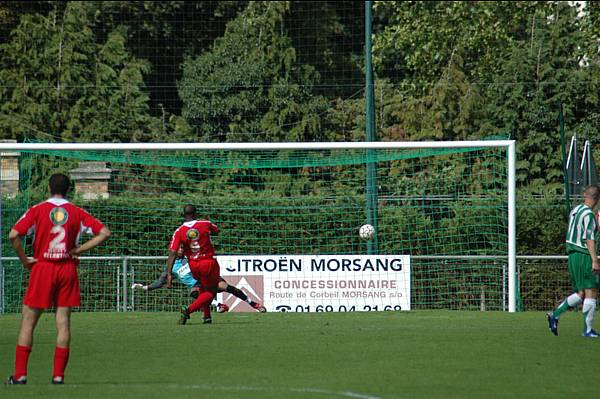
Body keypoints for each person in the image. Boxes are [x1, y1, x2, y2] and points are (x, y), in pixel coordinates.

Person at [5, 173, 111, 385]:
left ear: (48, 187)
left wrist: (25, 260)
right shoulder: (76, 212)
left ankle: (20, 375)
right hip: (67, 268)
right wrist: (78, 249)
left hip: (43, 268)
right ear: (68, 189)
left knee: (28, 321)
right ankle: (58, 376)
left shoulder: (37, 210)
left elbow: (13, 235)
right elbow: (105, 233)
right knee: (63, 323)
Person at [131, 244, 266, 313]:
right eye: (179, 249)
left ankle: (254, 304)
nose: (182, 251)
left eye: (183, 248)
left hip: (208, 278)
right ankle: (220, 305)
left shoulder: (190, 257)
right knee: (194, 293)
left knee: (226, 287)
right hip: (197, 285)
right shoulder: (170, 267)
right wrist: (144, 287)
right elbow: (160, 282)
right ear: (172, 251)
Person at [547, 185, 600, 338]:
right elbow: (589, 238)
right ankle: (588, 330)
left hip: (572, 255)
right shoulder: (589, 215)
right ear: (597, 199)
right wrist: (594, 260)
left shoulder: (575, 210)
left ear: (585, 195)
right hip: (583, 255)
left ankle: (555, 315)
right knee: (591, 291)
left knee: (581, 293)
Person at [166, 204, 221, 325]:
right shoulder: (205, 223)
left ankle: (207, 317)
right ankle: (188, 310)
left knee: (202, 288)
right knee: (211, 291)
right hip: (207, 262)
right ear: (195, 213)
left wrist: (169, 274)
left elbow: (172, 252)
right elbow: (217, 230)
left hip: (193, 265)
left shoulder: (179, 231)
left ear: (183, 215)